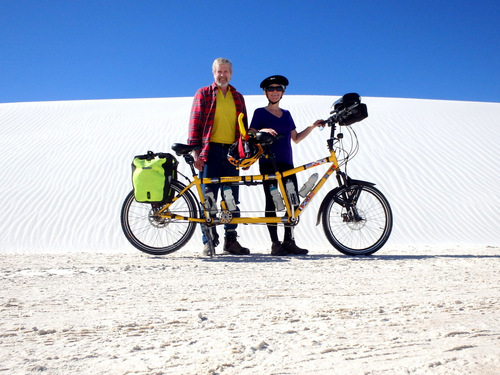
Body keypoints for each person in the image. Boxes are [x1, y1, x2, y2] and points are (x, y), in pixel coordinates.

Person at [249, 75, 324, 256]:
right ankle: (275, 243)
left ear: (283, 92)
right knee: (272, 200)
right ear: (265, 92)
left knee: (293, 201)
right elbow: (250, 133)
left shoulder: (287, 114)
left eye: (278, 89)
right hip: (268, 163)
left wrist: (312, 126)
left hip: (287, 163)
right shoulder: (260, 112)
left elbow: (296, 138)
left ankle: (289, 241)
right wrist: (262, 131)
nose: (275, 92)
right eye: (271, 89)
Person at [187, 58, 250, 256]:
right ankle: (209, 241)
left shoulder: (238, 97)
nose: (223, 75)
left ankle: (230, 241)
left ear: (231, 74)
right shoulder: (204, 93)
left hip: (232, 153)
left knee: (231, 199)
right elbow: (195, 123)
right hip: (210, 151)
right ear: (213, 73)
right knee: (209, 198)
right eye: (219, 72)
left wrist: (245, 155)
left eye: (226, 72)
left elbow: (244, 128)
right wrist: (196, 152)